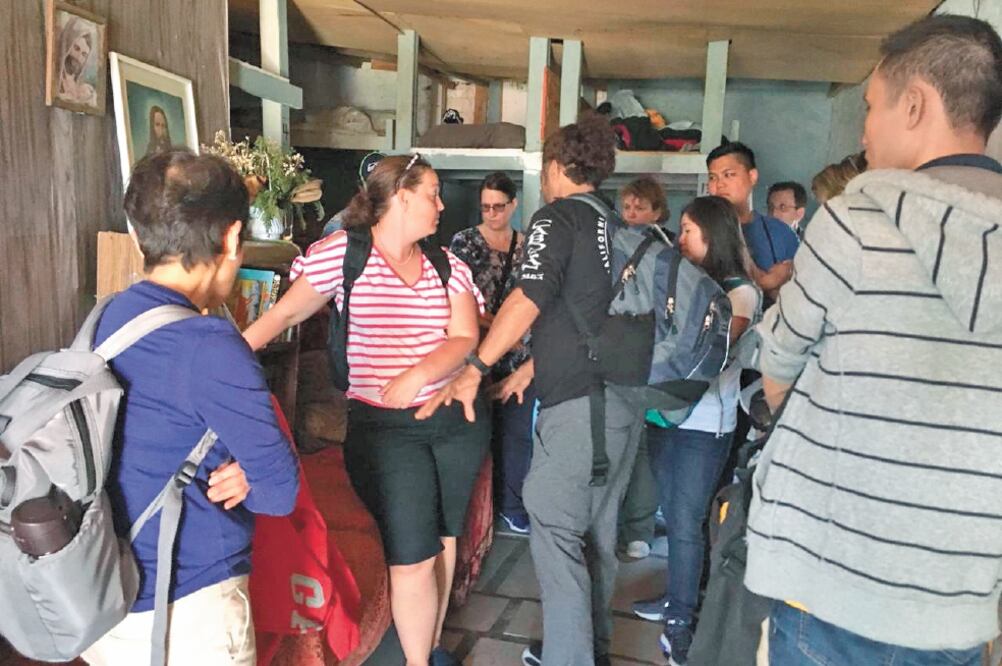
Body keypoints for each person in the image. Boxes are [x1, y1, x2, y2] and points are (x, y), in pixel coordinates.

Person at [745, 15, 1002, 666]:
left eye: (871, 107)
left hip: (834, 591)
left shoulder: (856, 220)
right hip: (960, 607)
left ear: (915, 105)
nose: (863, 131)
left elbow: (777, 365)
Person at [416, 114, 644, 666]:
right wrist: (526, 371)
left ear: (558, 167)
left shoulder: (557, 217)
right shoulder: (619, 225)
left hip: (579, 409)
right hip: (623, 404)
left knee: (554, 525)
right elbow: (589, 320)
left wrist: (476, 365)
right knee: (596, 529)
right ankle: (589, 650)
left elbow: (527, 299)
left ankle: (571, 658)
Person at [243, 155, 488, 666]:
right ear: (400, 196)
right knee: (415, 553)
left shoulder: (446, 264)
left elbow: (464, 336)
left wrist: (419, 374)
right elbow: (287, 311)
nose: (441, 205)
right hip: (385, 430)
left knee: (444, 537)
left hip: (454, 422)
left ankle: (431, 646)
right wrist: (226, 356)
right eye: (432, 194)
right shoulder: (344, 255)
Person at [82, 149, 300, 665]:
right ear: (231, 238)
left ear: (139, 237)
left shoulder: (103, 319)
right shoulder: (213, 346)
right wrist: (251, 475)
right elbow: (279, 492)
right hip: (184, 616)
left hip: (102, 596)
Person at [630, 196, 762, 666]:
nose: (680, 239)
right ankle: (679, 599)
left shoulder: (740, 293)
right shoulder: (682, 284)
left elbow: (710, 353)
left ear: (714, 235)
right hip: (663, 415)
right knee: (675, 514)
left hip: (705, 425)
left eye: (688, 231)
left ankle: (682, 621)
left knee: (686, 523)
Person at [449, 172, 533, 535]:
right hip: (477, 346)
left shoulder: (529, 244)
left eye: (499, 207)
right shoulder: (465, 242)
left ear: (514, 205)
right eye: (485, 207)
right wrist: (503, 330)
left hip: (518, 354)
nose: (491, 214)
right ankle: (476, 508)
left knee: (516, 433)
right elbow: (458, 297)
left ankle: (512, 505)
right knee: (475, 432)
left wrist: (516, 337)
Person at [615, 175, 671, 561]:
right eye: (628, 206)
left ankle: (639, 526)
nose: (632, 214)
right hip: (622, 356)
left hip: (649, 358)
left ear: (657, 211)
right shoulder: (614, 241)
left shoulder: (666, 249)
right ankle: (628, 525)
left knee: (640, 450)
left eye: (641, 207)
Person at [706, 142, 799, 303]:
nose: (719, 184)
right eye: (713, 177)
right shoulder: (698, 230)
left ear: (752, 176)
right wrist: (769, 282)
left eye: (729, 175)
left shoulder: (781, 234)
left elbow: (799, 295)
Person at [56, 17, 97, 106]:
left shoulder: (83, 88)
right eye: (76, 48)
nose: (78, 57)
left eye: (84, 54)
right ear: (67, 45)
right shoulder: (56, 80)